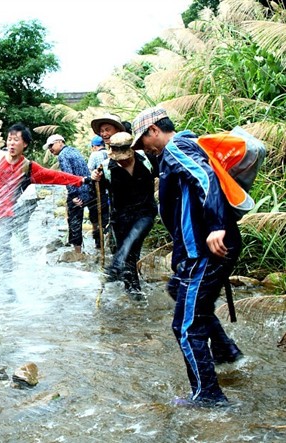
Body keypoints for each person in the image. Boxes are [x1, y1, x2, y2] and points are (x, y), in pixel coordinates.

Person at [131, 106, 243, 407]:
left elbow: (205, 178)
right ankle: (225, 352)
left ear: (154, 130)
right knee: (177, 290)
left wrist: (216, 225)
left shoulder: (175, 148)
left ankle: (208, 396)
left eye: (142, 140)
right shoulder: (184, 147)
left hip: (205, 251)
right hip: (201, 249)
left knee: (185, 327)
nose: (143, 148)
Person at [0, 123, 93, 298]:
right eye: (9, 139)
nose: (12, 144)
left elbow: (54, 176)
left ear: (25, 144)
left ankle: (7, 287)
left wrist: (81, 180)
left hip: (5, 215)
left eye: (16, 140)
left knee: (3, 247)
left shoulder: (27, 167)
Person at [91, 132, 158, 299]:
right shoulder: (106, 168)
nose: (122, 160)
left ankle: (115, 266)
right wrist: (95, 180)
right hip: (120, 218)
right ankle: (134, 293)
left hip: (145, 212)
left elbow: (162, 175)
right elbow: (97, 193)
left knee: (132, 240)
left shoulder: (146, 159)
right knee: (131, 255)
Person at [43, 134, 92, 254]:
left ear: (60, 142)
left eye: (51, 145)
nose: (50, 149)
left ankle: (77, 253)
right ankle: (97, 247)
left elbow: (68, 177)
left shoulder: (63, 155)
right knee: (91, 220)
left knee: (74, 223)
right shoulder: (74, 151)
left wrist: (74, 195)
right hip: (88, 189)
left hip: (77, 191)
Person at [87, 135, 110, 249]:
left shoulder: (95, 155)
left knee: (95, 219)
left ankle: (98, 244)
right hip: (109, 190)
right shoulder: (110, 153)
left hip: (98, 191)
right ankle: (109, 243)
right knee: (107, 218)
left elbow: (90, 171)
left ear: (94, 146)